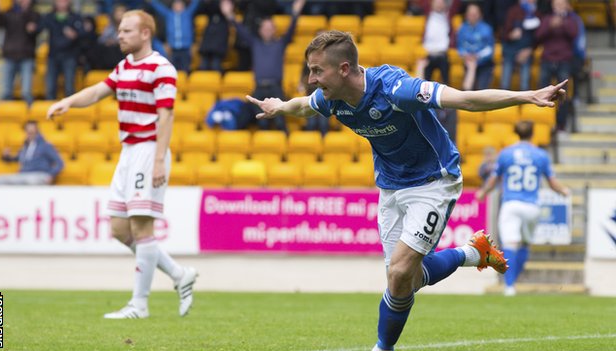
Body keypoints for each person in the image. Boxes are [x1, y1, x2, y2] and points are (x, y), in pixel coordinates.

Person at [246, 30, 568, 351]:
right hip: (390, 187)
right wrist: (280, 107)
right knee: (405, 282)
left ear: (343, 69)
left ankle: (382, 348)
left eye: (317, 70)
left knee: (400, 273)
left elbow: (465, 99)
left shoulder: (395, 89)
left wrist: (527, 96)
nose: (312, 79)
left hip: (433, 180)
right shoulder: (334, 99)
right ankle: (472, 253)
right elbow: (304, 106)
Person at [46, 9, 197, 319]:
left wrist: (157, 161)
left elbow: (167, 115)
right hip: (128, 152)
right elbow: (98, 91)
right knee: (119, 228)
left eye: (127, 30)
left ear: (145, 33)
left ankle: (139, 305)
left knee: (142, 228)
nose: (120, 35)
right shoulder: (124, 66)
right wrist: (69, 102)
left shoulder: (162, 68)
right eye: (120, 30)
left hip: (148, 149)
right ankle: (180, 274)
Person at [476, 121, 570, 296]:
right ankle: (512, 282)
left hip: (511, 204)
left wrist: (483, 192)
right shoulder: (540, 155)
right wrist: (564, 190)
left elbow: (493, 179)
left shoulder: (506, 154)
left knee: (510, 243)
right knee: (525, 243)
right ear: (533, 133)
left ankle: (509, 286)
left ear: (515, 132)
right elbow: (552, 182)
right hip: (532, 206)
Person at [221, 0, 306, 133]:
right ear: (260, 30)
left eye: (270, 27)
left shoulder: (280, 43)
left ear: (274, 30)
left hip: (276, 88)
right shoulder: (255, 43)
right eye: (264, 28)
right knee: (262, 123)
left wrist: (295, 12)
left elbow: (291, 29)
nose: (267, 30)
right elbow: (240, 30)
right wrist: (229, 15)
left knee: (280, 122)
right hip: (259, 88)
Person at [535, 0, 578, 131]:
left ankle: (561, 124)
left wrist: (562, 24)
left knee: (563, 94)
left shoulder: (571, 19)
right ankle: (544, 122)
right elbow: (538, 36)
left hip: (564, 60)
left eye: (561, 4)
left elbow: (574, 34)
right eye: (557, 4)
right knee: (542, 92)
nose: (559, 6)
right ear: (553, 6)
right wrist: (550, 26)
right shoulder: (547, 19)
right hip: (547, 59)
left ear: (566, 5)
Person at [0, 0, 39, 105]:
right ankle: (7, 116)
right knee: (7, 91)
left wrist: (26, 9)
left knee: (26, 92)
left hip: (26, 54)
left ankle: (27, 115)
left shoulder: (33, 14)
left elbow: (34, 30)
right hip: (10, 54)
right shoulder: (9, 12)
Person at [38, 0, 85, 100]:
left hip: (69, 56)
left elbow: (83, 34)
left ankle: (70, 113)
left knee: (69, 88)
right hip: (53, 56)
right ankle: (50, 111)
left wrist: (75, 35)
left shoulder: (75, 17)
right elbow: (39, 29)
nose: (62, 3)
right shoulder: (49, 17)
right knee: (50, 88)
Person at [0, 121, 64, 185]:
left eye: (32, 130)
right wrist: (7, 156)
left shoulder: (45, 145)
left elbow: (60, 163)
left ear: (37, 131)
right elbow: (17, 158)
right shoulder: (25, 147)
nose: (30, 132)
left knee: (29, 181)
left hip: (39, 175)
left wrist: (51, 175)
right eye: (28, 130)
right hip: (23, 175)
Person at [147, 0, 201, 72]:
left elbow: (195, 4)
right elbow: (159, 8)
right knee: (173, 69)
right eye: (176, 5)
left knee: (185, 68)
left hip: (185, 48)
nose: (178, 6)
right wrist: (152, 2)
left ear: (184, 7)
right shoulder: (169, 14)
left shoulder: (187, 14)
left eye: (180, 5)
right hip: (173, 48)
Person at [500, 0, 541, 91]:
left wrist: (529, 50)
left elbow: (538, 38)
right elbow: (503, 34)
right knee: (505, 83)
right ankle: (504, 104)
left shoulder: (537, 14)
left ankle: (524, 104)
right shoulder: (513, 11)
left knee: (525, 84)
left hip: (526, 51)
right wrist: (511, 35)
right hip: (510, 50)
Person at [456, 3, 495, 91]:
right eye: (470, 14)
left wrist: (478, 56)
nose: (472, 16)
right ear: (466, 15)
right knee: (469, 91)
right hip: (469, 62)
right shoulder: (462, 29)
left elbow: (490, 49)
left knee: (482, 91)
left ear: (480, 15)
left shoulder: (487, 28)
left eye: (475, 14)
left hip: (484, 65)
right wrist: (466, 55)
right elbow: (460, 47)